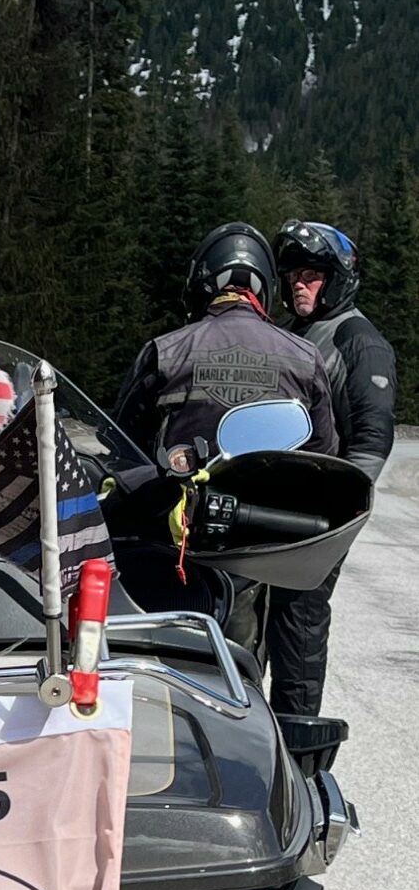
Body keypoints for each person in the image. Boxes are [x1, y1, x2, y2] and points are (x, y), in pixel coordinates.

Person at [114, 222, 338, 656]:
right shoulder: (305, 357)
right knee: (238, 668)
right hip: (251, 546)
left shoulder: (165, 350)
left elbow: (124, 447)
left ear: (201, 283)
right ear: (265, 287)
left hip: (170, 544)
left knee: (151, 660)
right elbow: (322, 459)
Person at [270, 219, 397, 716]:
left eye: (311, 275)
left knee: (298, 624)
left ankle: (298, 744)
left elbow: (372, 439)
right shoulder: (290, 333)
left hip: (315, 517)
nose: (299, 285)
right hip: (269, 508)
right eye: (292, 276)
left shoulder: (357, 340)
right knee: (250, 621)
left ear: (338, 278)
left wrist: (332, 518)